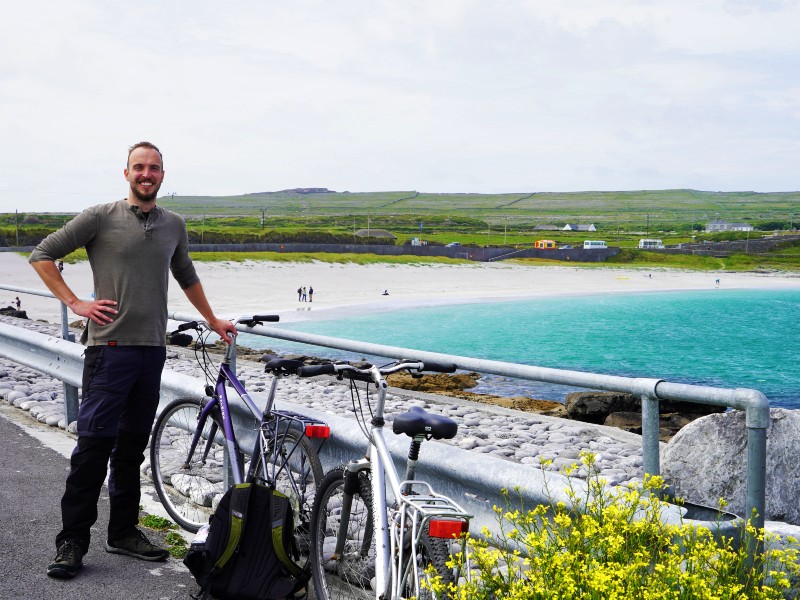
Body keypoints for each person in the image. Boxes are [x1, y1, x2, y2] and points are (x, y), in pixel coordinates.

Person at [29, 141, 237, 580]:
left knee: (130, 449)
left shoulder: (174, 224)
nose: (147, 174)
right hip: (109, 351)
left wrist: (213, 319)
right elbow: (42, 255)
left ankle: (123, 532)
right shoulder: (100, 217)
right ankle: (71, 542)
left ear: (163, 174)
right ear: (126, 174)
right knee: (92, 449)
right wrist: (75, 303)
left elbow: (187, 275)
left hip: (151, 352)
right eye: (139, 167)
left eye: (154, 168)